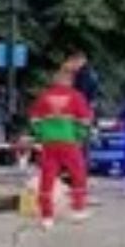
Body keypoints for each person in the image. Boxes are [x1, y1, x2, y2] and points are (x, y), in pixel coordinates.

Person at [28, 61, 94, 228]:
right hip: (69, 143)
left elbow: (34, 120)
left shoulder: (44, 97)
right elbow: (85, 121)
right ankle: (78, 210)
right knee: (78, 175)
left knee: (47, 179)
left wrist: (41, 135)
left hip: (49, 144)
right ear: (70, 81)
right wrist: (79, 137)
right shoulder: (76, 97)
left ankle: (47, 217)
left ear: (54, 81)